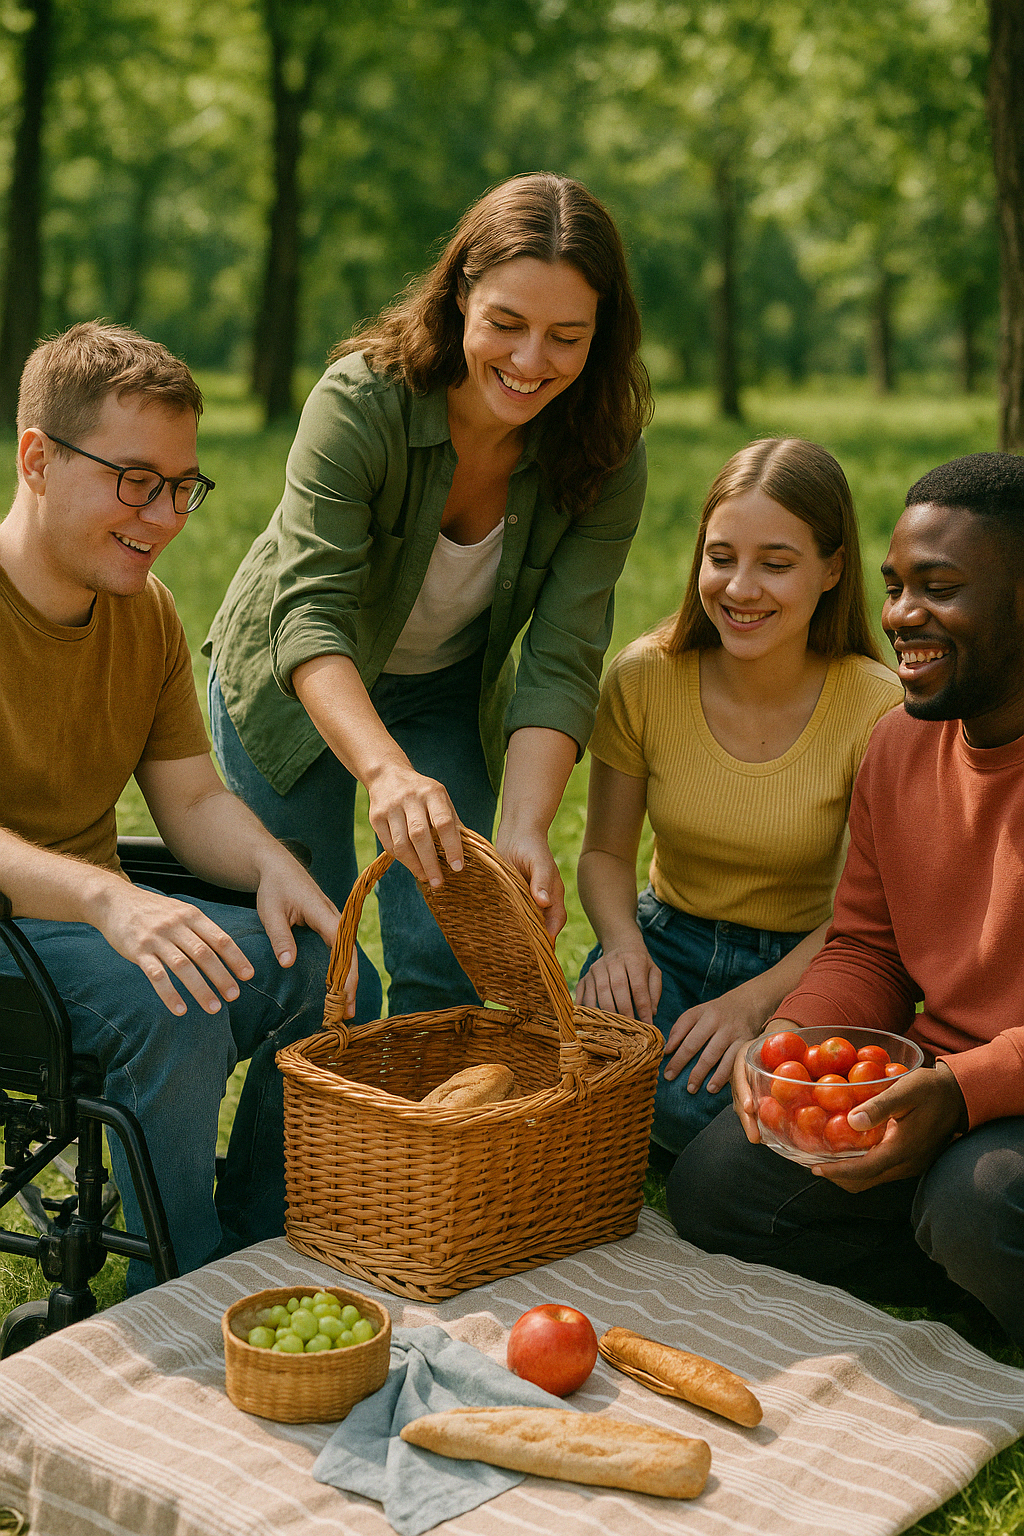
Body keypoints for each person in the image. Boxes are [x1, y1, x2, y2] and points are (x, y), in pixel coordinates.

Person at [205, 172, 651, 1020]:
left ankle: (419, 1154)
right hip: (294, 686)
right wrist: (386, 774)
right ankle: (288, 1160)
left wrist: (524, 826)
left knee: (456, 956)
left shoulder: (605, 454)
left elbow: (563, 656)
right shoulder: (361, 401)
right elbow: (310, 617)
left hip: (442, 692)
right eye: (507, 325)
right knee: (315, 962)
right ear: (457, 300)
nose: (530, 361)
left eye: (567, 336)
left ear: (603, 335)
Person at [0, 321, 339, 1292]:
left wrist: (276, 869)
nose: (165, 515)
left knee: (310, 961)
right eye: (135, 479)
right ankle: (184, 1294)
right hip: (15, 940)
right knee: (176, 1000)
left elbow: (189, 793)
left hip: (82, 929)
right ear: (38, 458)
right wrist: (109, 901)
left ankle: (270, 1247)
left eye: (182, 486)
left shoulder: (142, 611)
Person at [667, 452, 1024, 1348]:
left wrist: (961, 1091)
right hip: (930, 1085)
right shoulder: (900, 747)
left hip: (986, 1101)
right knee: (714, 1184)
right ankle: (961, 1277)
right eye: (897, 585)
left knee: (976, 1204)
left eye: (939, 589)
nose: (902, 615)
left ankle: (966, 1250)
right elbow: (868, 947)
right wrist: (787, 1052)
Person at [575, 438, 903, 1156]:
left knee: (729, 1109)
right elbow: (602, 850)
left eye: (775, 565)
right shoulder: (644, 678)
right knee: (588, 1050)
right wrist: (622, 946)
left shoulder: (878, 707)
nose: (739, 588)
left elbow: (867, 920)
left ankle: (702, 1132)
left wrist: (755, 1005)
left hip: (807, 964)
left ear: (832, 570)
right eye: (721, 558)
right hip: (665, 943)